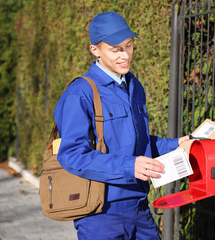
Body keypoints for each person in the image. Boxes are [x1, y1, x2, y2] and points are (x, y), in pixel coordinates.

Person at [54, 11, 189, 240]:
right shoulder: (80, 93)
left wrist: (176, 144)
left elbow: (137, 143)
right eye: (116, 49)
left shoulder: (134, 85)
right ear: (95, 50)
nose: (125, 55)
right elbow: (72, 155)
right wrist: (129, 166)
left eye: (128, 46)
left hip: (139, 209)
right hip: (101, 216)